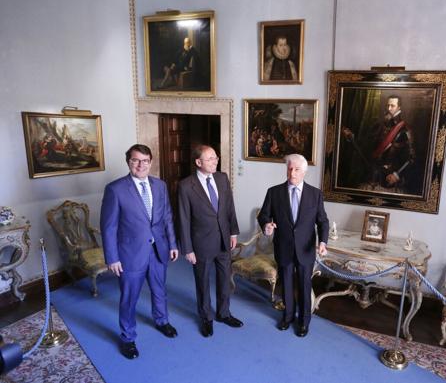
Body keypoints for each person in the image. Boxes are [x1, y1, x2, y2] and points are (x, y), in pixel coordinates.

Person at [100, 144, 179, 360]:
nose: (141, 165)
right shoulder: (115, 189)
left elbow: (167, 217)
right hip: (129, 255)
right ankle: (127, 337)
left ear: (151, 162)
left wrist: (173, 244)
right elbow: (109, 227)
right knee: (129, 298)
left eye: (145, 160)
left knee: (159, 290)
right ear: (129, 162)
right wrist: (112, 257)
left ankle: (162, 321)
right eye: (136, 160)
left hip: (158, 250)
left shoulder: (160, 185)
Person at [258, 154, 329, 337]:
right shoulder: (274, 192)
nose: (292, 172)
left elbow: (322, 222)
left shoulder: (315, 194)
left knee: (305, 285)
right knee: (287, 284)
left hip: (305, 249)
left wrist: (322, 242)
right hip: (284, 247)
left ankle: (304, 322)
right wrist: (267, 225)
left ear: (304, 172)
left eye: (296, 169)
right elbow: (264, 215)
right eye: (289, 168)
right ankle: (287, 316)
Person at [177, 145, 243, 338]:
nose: (215, 161)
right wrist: (187, 248)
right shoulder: (186, 185)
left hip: (224, 238)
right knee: (202, 282)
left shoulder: (222, 178)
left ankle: (224, 313)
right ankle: (206, 317)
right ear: (198, 162)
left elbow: (229, 207)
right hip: (201, 244)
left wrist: (233, 232)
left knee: (224, 279)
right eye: (210, 159)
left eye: (216, 158)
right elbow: (184, 219)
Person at [342, 95, 414, 191]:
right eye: (387, 105)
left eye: (392, 106)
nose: (389, 109)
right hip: (373, 175)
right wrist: (352, 136)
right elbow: (367, 145)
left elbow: (411, 158)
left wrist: (397, 174)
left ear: (399, 107)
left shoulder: (405, 130)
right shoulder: (380, 126)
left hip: (389, 180)